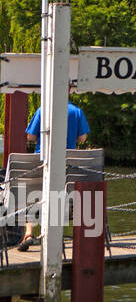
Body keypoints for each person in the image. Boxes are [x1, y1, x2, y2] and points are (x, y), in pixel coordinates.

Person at [19, 95, 91, 252]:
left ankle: (29, 234)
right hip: (67, 167)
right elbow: (83, 138)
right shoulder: (77, 111)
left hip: (41, 163)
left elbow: (31, 136)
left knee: (30, 194)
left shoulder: (42, 110)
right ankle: (56, 236)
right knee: (58, 194)